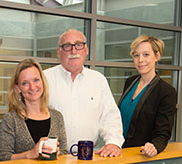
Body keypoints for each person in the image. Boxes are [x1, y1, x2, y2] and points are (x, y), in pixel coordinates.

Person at [44, 29, 124, 157]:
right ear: (59, 52)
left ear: (86, 50)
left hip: (87, 157)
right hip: (53, 157)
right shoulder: (44, 79)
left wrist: (113, 142)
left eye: (78, 45)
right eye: (67, 46)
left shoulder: (98, 80)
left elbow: (110, 116)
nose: (73, 51)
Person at [0, 59, 67, 161]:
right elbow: (3, 158)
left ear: (43, 82)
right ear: (18, 88)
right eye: (25, 83)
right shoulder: (11, 119)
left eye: (36, 80)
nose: (32, 87)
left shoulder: (57, 117)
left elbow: (65, 153)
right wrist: (30, 154)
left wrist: (56, 153)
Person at [118, 35, 177, 157]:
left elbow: (163, 132)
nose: (140, 60)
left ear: (157, 56)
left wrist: (154, 146)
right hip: (120, 151)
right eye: (136, 55)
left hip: (142, 155)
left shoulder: (167, 92)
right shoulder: (130, 82)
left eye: (146, 54)